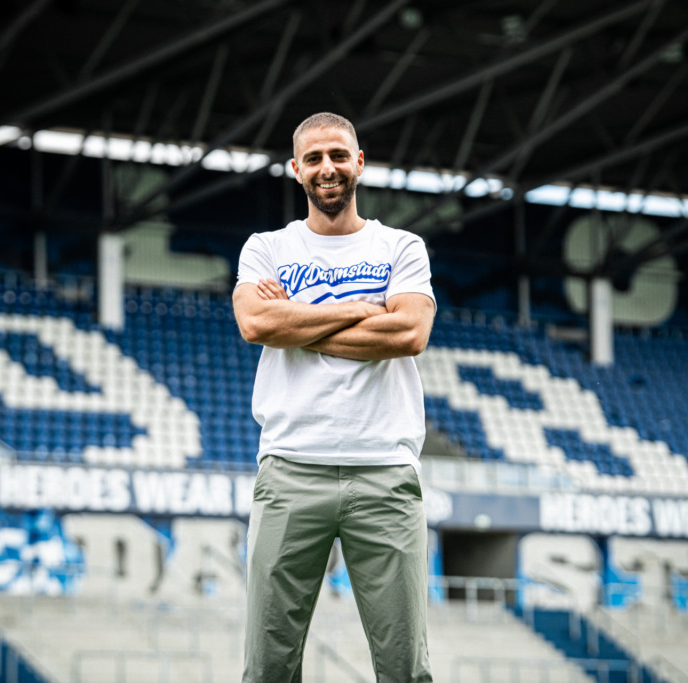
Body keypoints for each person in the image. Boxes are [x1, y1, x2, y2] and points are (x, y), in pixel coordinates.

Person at [233, 112, 436, 682]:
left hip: (385, 473)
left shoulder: (401, 246)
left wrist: (295, 317)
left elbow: (408, 334)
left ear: (360, 163)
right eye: (315, 158)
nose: (329, 168)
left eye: (339, 156)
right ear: (296, 170)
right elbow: (254, 323)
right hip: (291, 468)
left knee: (405, 668)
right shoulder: (266, 247)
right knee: (268, 667)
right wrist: (357, 309)